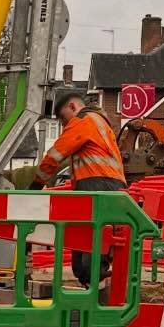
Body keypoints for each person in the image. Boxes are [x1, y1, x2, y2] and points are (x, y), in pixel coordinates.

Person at [35, 85, 131, 290]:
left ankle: (95, 283)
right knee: (94, 236)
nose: (64, 125)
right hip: (107, 183)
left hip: (97, 183)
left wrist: (35, 185)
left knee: (93, 237)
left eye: (63, 119)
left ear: (72, 106)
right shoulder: (99, 122)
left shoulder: (84, 121)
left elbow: (56, 154)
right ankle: (94, 282)